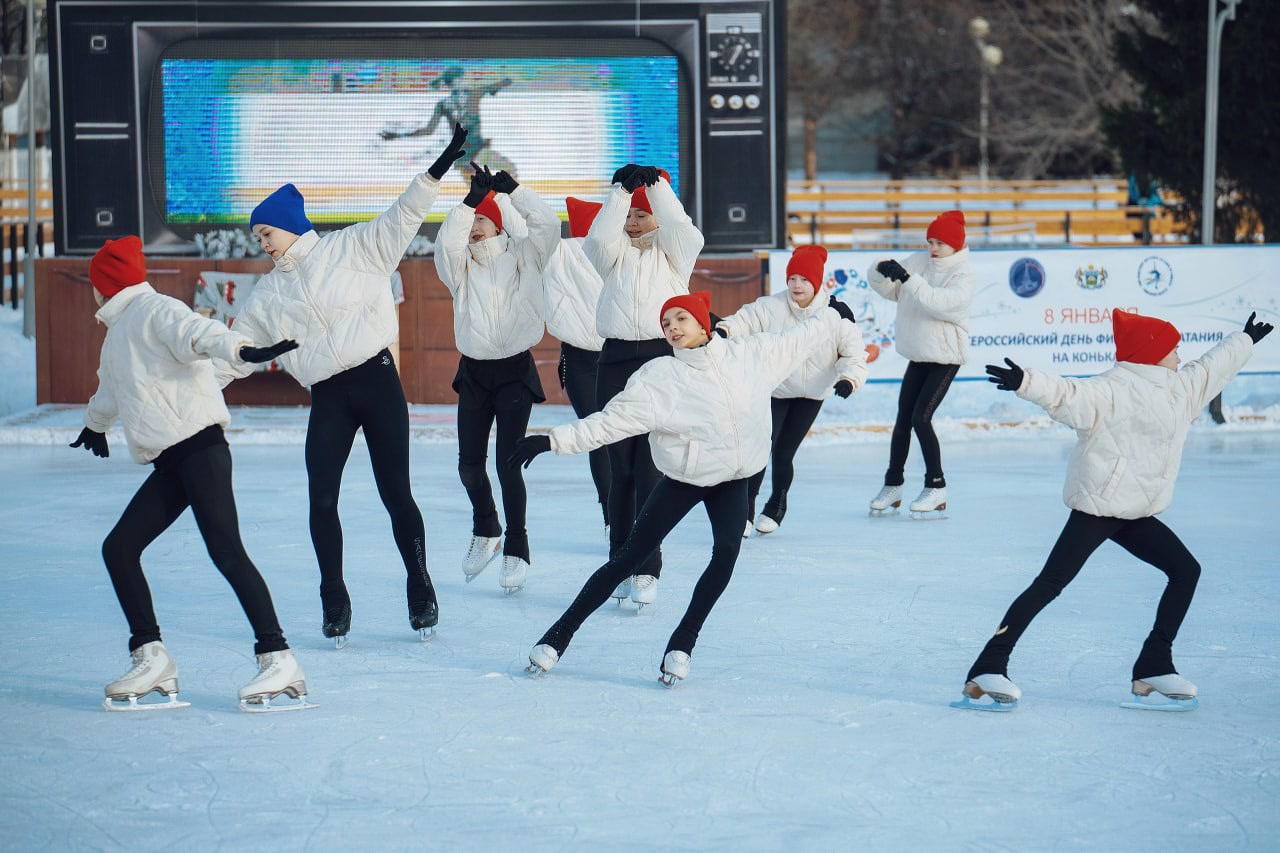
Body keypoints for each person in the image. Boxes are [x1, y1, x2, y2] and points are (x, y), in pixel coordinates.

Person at [510, 290, 852, 685]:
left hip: (733, 479)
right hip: (685, 480)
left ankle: (682, 644)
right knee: (628, 558)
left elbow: (800, 337)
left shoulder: (751, 356)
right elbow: (609, 423)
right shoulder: (659, 378)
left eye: (681, 319)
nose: (672, 327)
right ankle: (558, 636)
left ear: (703, 324)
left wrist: (832, 316)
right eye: (666, 323)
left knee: (726, 553)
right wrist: (552, 440)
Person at [220, 123, 470, 645]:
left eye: (265, 233)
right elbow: (234, 350)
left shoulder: (353, 247)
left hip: (377, 383)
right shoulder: (266, 296)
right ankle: (333, 597)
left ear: (287, 225)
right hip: (328, 398)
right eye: (258, 237)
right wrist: (201, 375)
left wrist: (436, 170)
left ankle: (420, 585)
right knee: (321, 500)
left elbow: (403, 214)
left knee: (396, 493)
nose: (261, 243)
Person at [957, 308, 1272, 711]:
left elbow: (1213, 368)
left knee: (1186, 571)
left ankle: (1154, 665)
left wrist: (1244, 340)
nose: (1180, 355)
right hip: (1100, 506)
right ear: (1152, 351)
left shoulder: (1181, 388)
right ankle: (987, 667)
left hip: (1136, 510)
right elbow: (1067, 394)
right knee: (1050, 583)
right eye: (1173, 348)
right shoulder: (1111, 389)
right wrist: (1026, 382)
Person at [75, 236, 310, 712]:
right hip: (171, 461)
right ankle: (152, 656)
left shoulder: (156, 310)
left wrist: (242, 350)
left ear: (105, 286)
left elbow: (199, 334)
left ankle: (278, 656)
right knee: (119, 548)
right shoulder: (117, 336)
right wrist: (94, 425)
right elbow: (110, 389)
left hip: (200, 450)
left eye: (95, 285)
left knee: (226, 552)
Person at [434, 162, 559, 593]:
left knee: (508, 464)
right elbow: (445, 244)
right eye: (471, 221)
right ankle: (486, 528)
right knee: (469, 465)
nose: (473, 228)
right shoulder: (459, 267)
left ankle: (517, 546)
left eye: (481, 220)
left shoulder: (526, 255)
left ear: (499, 224)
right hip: (473, 372)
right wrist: (469, 203)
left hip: (513, 372)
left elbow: (548, 226)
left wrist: (516, 192)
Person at [584, 165, 705, 607]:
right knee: (621, 469)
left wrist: (657, 188)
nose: (633, 222)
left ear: (655, 213)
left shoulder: (675, 254)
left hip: (660, 359)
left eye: (641, 214)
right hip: (615, 361)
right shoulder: (613, 252)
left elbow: (686, 231)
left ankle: (648, 563)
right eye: (630, 216)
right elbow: (596, 242)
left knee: (652, 467)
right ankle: (619, 559)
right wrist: (620, 193)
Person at [715, 244, 868, 536]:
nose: (797, 285)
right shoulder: (770, 307)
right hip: (776, 389)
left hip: (811, 395)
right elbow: (744, 320)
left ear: (818, 282)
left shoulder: (835, 314)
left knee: (784, 453)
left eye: (805, 279)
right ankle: (746, 511)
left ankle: (776, 504)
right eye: (792, 278)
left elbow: (854, 354)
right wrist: (726, 329)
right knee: (762, 448)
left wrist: (850, 379)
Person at [866, 210, 975, 517]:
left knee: (921, 418)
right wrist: (880, 270)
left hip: (946, 358)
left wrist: (907, 278)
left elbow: (940, 304)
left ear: (955, 245)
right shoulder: (919, 262)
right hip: (919, 354)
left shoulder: (963, 275)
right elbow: (892, 290)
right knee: (903, 420)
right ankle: (893, 484)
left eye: (940, 243)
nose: (933, 248)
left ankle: (936, 486)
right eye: (930, 241)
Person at [542, 196, 610, 528]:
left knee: (600, 434)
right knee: (604, 434)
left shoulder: (617, 253)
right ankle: (615, 515)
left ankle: (614, 515)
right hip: (589, 357)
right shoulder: (561, 253)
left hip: (600, 357)